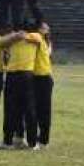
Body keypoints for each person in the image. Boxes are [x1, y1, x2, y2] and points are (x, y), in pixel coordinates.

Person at [0, 25, 38, 149]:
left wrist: (22, 36)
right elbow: (2, 43)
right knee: (11, 109)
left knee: (29, 110)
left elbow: (37, 40)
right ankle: (9, 140)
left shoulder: (35, 35)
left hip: (26, 74)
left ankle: (31, 142)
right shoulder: (12, 37)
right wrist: (15, 36)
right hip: (13, 74)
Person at [29, 19, 54, 149]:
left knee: (44, 110)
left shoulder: (44, 41)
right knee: (35, 109)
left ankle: (44, 140)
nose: (46, 28)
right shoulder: (38, 38)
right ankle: (36, 138)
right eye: (43, 26)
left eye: (46, 27)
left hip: (44, 78)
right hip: (35, 78)